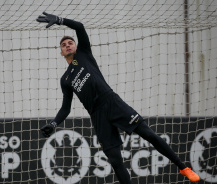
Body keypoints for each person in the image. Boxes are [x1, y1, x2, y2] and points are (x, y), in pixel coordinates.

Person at [36, 12, 200, 183]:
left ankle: (183, 168)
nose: (68, 45)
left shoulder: (84, 53)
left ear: (76, 46)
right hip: (97, 115)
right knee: (115, 160)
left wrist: (60, 21)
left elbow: (80, 26)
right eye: (64, 45)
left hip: (112, 102)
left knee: (149, 135)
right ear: (61, 52)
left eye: (70, 43)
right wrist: (54, 123)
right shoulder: (65, 79)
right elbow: (66, 108)